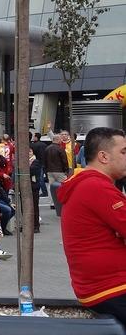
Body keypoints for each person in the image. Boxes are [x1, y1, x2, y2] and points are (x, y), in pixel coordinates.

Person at [60, 127, 126, 324]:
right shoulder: (96, 187)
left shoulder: (87, 183)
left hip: (100, 285)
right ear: (104, 157)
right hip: (111, 288)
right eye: (123, 152)